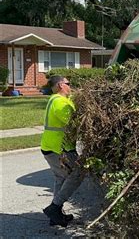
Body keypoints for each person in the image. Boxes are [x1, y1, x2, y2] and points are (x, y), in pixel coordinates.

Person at [41, 76, 83, 227]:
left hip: (52, 147)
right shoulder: (59, 102)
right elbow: (74, 122)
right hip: (60, 148)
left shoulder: (58, 99)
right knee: (78, 173)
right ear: (60, 85)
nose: (70, 86)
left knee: (61, 178)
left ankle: (55, 216)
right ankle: (55, 208)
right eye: (68, 84)